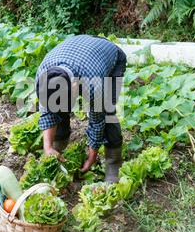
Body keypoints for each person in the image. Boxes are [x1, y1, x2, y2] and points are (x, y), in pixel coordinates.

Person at [35, 35, 127, 183]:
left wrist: (92, 156)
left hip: (110, 55)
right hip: (78, 51)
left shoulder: (93, 84)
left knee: (108, 113)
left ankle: (113, 161)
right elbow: (47, 111)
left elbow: (97, 122)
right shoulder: (42, 75)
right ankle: (58, 145)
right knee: (58, 107)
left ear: (74, 86)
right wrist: (48, 147)